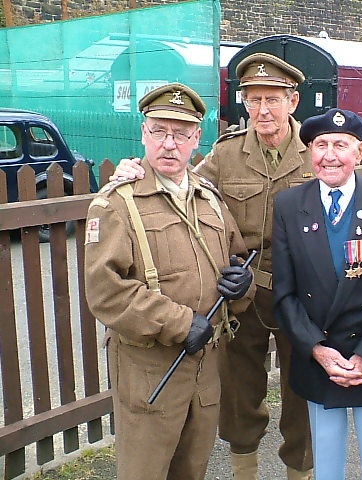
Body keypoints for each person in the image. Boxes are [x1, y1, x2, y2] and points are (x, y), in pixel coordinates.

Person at [109, 53, 314, 480]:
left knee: (303, 391)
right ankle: (245, 470)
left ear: (292, 102)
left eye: (272, 99)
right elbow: (181, 181)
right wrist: (135, 169)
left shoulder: (317, 152)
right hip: (243, 294)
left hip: (304, 294)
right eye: (253, 99)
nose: (262, 110)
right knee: (239, 393)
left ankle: (301, 471)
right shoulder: (227, 153)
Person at [84, 83, 255, 480]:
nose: (169, 144)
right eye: (159, 131)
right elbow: (105, 291)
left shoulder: (209, 198)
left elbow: (236, 257)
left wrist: (240, 285)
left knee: (192, 468)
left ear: (197, 139)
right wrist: (178, 322)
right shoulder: (117, 203)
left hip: (205, 367)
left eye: (180, 134)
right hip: (150, 367)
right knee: (145, 471)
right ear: (143, 133)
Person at [272, 108, 362, 480]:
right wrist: (317, 349)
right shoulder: (288, 205)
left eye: (340, 145)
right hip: (320, 358)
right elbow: (284, 293)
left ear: (360, 151)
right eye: (321, 145)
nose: (329, 155)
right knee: (326, 466)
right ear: (309, 151)